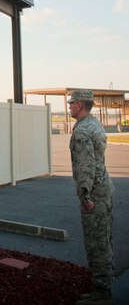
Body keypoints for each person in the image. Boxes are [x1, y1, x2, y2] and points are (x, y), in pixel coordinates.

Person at [68, 89, 115, 305]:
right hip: (105, 189)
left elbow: (86, 166)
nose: (69, 107)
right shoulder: (95, 124)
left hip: (94, 193)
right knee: (104, 240)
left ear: (80, 105)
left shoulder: (82, 131)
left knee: (97, 244)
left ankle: (102, 294)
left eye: (71, 104)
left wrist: (85, 195)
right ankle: (103, 287)